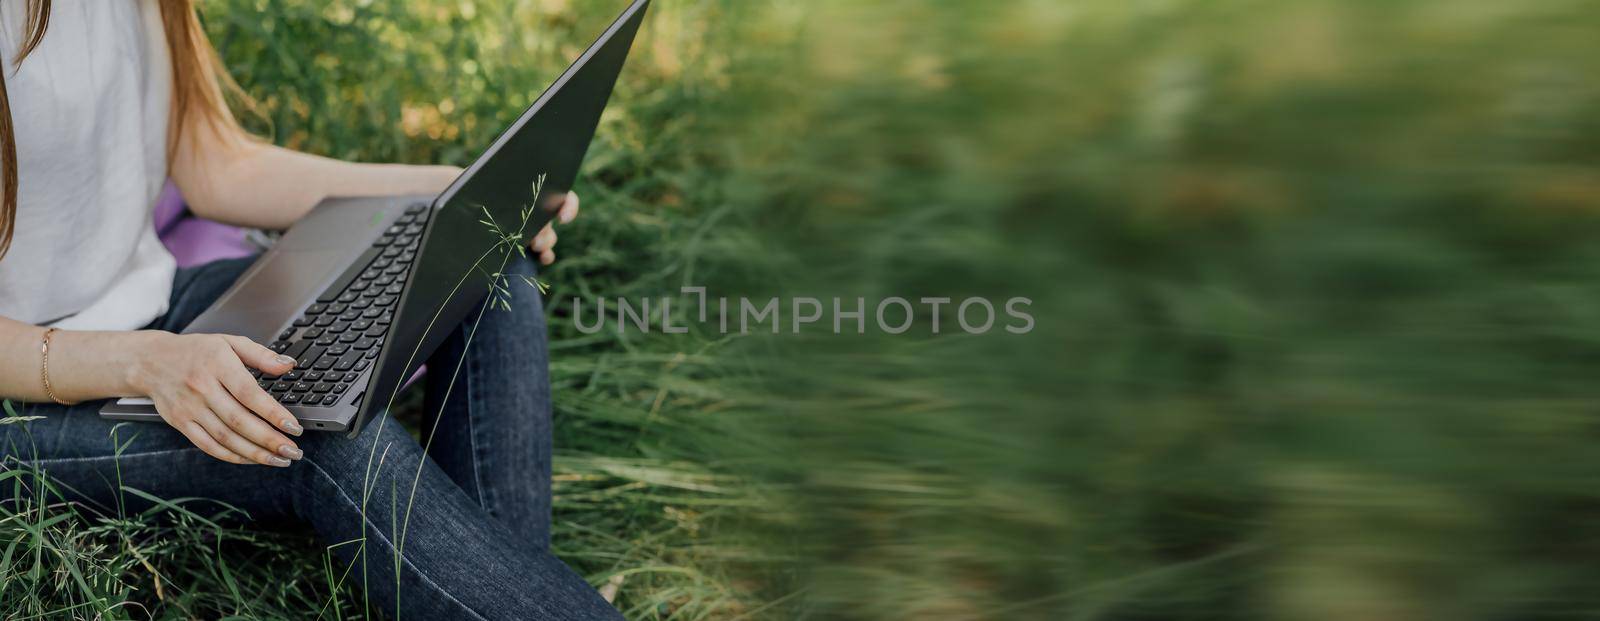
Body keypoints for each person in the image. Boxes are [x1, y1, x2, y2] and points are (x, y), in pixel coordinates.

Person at [0, 2, 621, 618]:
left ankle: (500, 589)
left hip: (155, 309)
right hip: (25, 394)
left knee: (485, 253)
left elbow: (218, 166)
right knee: (320, 435)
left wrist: (454, 193)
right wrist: (143, 365)